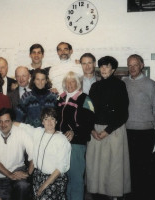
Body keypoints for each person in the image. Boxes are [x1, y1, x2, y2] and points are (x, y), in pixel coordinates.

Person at [86, 56, 131, 200]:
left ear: (113, 69)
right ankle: (97, 194)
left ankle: (114, 196)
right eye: (102, 66)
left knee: (113, 167)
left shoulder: (120, 85)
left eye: (107, 66)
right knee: (96, 165)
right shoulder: (95, 87)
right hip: (95, 130)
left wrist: (108, 131)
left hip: (114, 130)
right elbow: (89, 111)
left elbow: (123, 113)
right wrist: (92, 130)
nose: (104, 69)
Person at [123, 54, 155, 200]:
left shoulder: (150, 84)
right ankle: (131, 195)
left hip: (146, 133)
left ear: (141, 65)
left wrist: (149, 124)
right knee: (129, 167)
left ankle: (144, 195)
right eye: (129, 65)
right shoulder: (124, 83)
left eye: (135, 64)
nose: (132, 68)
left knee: (144, 167)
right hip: (127, 132)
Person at [15, 107, 71, 200]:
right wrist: (5, 123)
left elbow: (60, 168)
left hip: (54, 179)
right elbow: (24, 126)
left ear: (56, 121)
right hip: (38, 176)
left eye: (52, 118)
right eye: (46, 119)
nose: (49, 122)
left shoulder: (62, 140)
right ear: (42, 122)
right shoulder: (38, 132)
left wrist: (43, 186)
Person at [56, 72, 95, 200]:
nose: (70, 84)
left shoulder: (84, 98)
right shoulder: (60, 98)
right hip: (61, 143)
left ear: (77, 84)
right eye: (67, 82)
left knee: (76, 178)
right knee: (64, 178)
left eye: (73, 81)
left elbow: (89, 122)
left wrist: (74, 132)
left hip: (76, 144)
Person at [0, 108, 33, 200]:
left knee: (23, 186)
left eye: (7, 121)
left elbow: (33, 153)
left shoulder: (21, 133)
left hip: (18, 170)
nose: (3, 125)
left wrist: (28, 173)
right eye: (0, 121)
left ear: (12, 121)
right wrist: (10, 175)